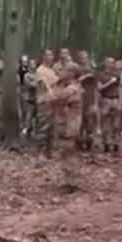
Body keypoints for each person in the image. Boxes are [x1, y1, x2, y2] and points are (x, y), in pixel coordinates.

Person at [51, 62, 83, 190]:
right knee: (64, 152)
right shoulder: (64, 86)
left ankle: (73, 182)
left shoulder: (74, 88)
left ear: (71, 73)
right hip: (62, 122)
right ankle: (68, 180)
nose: (61, 72)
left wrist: (55, 94)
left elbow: (58, 97)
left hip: (71, 123)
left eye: (64, 70)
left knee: (69, 151)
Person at [98, 57, 122, 153]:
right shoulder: (101, 74)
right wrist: (110, 82)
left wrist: (120, 102)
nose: (111, 64)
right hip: (106, 99)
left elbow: (120, 88)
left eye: (112, 62)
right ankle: (106, 143)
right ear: (105, 63)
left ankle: (115, 142)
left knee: (115, 123)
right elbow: (99, 88)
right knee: (105, 122)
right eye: (109, 62)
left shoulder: (117, 74)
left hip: (115, 99)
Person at [35, 48, 57, 152]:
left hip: (53, 101)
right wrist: (50, 93)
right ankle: (40, 149)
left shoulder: (52, 71)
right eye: (48, 55)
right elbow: (43, 85)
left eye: (51, 55)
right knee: (43, 125)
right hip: (44, 101)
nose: (50, 57)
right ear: (43, 56)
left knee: (52, 127)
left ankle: (49, 150)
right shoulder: (40, 70)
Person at [77, 50, 99, 151]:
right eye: (81, 57)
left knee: (89, 120)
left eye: (85, 57)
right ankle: (80, 142)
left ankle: (89, 142)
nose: (83, 59)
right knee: (80, 121)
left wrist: (95, 101)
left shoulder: (92, 68)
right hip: (79, 97)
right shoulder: (77, 68)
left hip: (90, 96)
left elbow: (96, 84)